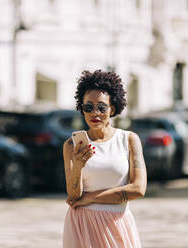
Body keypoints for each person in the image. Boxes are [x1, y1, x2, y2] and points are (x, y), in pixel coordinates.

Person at [62, 70, 147, 248]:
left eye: (101, 107)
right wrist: (77, 166)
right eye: (88, 107)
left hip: (117, 224)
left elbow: (138, 189)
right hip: (82, 225)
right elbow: (73, 195)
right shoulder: (71, 145)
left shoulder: (129, 140)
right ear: (82, 109)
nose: (95, 113)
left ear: (112, 109)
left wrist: (92, 197)